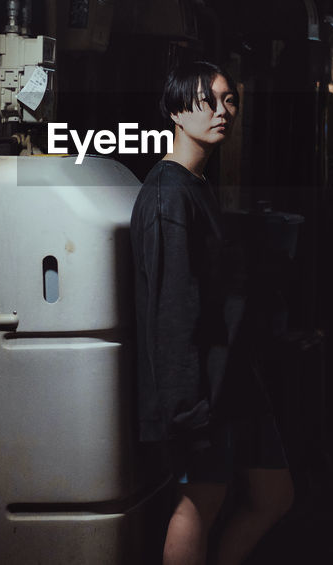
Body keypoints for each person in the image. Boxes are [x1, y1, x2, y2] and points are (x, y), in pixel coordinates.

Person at [130, 61, 293, 565]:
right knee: (199, 502)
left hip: (232, 382)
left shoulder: (194, 186)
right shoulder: (167, 194)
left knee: (274, 496)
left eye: (229, 100)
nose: (223, 111)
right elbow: (171, 310)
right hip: (199, 391)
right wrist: (185, 408)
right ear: (176, 111)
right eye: (208, 101)